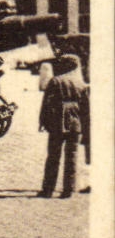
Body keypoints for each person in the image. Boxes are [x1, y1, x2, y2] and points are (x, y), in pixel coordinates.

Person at [39, 53, 89, 198]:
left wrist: (43, 121)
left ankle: (48, 189)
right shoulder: (81, 84)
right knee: (72, 156)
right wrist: (85, 127)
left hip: (57, 122)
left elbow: (46, 104)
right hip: (75, 123)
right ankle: (68, 189)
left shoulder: (55, 81)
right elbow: (86, 108)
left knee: (53, 156)